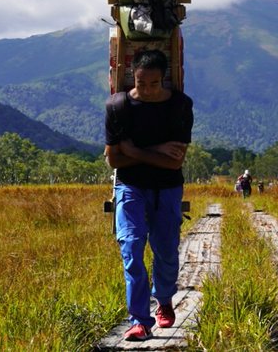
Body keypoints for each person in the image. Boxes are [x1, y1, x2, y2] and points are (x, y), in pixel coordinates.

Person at [104, 49, 194, 342]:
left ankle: (164, 299)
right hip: (130, 187)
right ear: (134, 76)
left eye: (153, 84)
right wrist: (156, 150)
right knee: (131, 249)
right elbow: (114, 160)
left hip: (167, 188)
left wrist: (134, 150)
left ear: (163, 79)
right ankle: (139, 320)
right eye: (141, 83)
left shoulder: (180, 106)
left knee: (166, 251)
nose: (146, 90)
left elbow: (175, 161)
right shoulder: (118, 107)